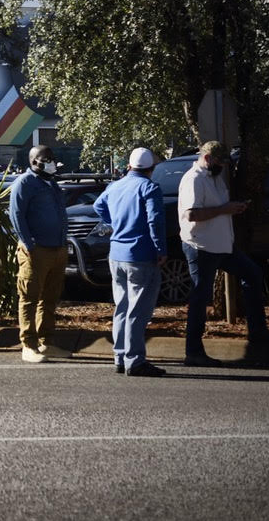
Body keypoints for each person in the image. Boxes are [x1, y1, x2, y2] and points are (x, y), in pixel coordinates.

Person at [179, 140, 269, 366]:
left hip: (222, 246)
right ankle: (193, 351)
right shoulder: (193, 180)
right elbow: (192, 215)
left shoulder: (214, 178)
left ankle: (257, 330)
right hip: (202, 247)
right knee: (200, 298)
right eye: (219, 162)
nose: (223, 166)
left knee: (253, 274)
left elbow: (216, 209)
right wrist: (224, 210)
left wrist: (233, 208)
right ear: (207, 158)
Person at [94, 147, 168, 377]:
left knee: (122, 307)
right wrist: (161, 249)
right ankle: (134, 360)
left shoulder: (115, 186)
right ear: (151, 168)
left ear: (129, 166)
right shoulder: (149, 188)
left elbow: (98, 206)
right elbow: (155, 220)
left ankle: (120, 356)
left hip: (116, 253)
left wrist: (114, 221)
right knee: (138, 310)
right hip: (141, 254)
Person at [8, 145, 70, 363]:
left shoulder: (51, 183)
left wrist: (63, 244)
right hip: (36, 251)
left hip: (57, 249)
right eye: (48, 158)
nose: (53, 162)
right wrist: (29, 244)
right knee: (29, 298)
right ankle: (28, 345)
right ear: (35, 162)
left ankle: (47, 343)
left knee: (49, 298)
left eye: (53, 158)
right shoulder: (24, 183)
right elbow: (16, 215)